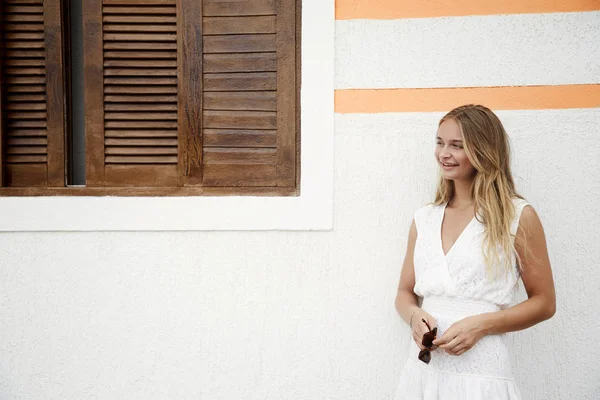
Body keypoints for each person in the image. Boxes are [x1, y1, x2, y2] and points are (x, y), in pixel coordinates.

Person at [393, 105, 556, 399]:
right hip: (423, 372)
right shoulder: (424, 219)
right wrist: (415, 316)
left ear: (484, 150)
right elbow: (404, 293)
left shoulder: (517, 216)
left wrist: (481, 325)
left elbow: (544, 302)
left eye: (457, 145)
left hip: (482, 375)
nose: (444, 153)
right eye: (440, 142)